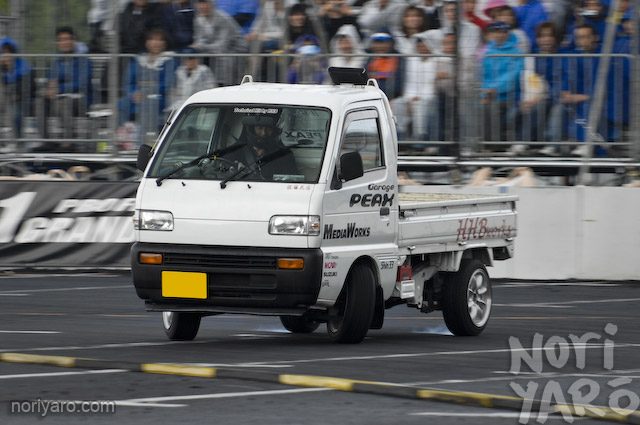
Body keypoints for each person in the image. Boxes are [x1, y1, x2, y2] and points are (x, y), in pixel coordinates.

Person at [120, 29, 177, 144]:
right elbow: (128, 83)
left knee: (150, 103)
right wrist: (133, 93)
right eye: (152, 39)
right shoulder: (138, 61)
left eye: (159, 40)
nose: (155, 43)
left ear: (164, 43)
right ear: (146, 42)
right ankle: (125, 139)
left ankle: (142, 143)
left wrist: (146, 92)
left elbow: (167, 84)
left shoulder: (169, 61)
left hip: (160, 98)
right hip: (138, 97)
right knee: (120, 104)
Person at [45, 26, 93, 144]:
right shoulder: (56, 62)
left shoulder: (83, 60)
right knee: (39, 101)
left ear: (73, 40)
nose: (64, 42)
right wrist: (49, 89)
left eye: (67, 39)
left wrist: (59, 88)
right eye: (61, 40)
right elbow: (51, 79)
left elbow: (82, 83)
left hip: (80, 99)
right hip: (59, 99)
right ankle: (46, 141)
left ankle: (68, 142)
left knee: (64, 103)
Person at [481, 21, 524, 149]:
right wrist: (485, 92)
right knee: (474, 107)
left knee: (491, 108)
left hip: (510, 96)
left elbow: (513, 77)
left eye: (503, 32)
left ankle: (495, 148)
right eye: (496, 32)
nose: (500, 35)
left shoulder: (517, 53)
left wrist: (494, 89)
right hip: (490, 95)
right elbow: (483, 76)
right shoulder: (488, 52)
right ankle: (484, 147)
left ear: (508, 33)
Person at [391, 34, 436, 141]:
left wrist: (419, 97)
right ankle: (400, 136)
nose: (421, 48)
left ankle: (419, 138)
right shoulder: (413, 61)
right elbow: (410, 83)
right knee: (398, 103)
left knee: (419, 105)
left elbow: (431, 85)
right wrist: (409, 98)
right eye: (419, 46)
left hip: (429, 96)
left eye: (424, 46)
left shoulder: (435, 60)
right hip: (412, 96)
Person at [191, 0, 247, 86]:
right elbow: (198, 40)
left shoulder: (223, 18)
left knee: (224, 62)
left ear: (212, 4)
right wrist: (200, 46)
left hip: (234, 53)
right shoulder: (198, 19)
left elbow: (221, 46)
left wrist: (201, 46)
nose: (202, 6)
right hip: (213, 54)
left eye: (205, 3)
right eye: (200, 3)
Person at [232, 112, 300, 180]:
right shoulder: (235, 152)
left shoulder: (284, 156)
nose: (264, 133)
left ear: (274, 130)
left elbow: (291, 181)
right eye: (259, 127)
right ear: (252, 129)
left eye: (268, 128)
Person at [0, 37, 35, 142]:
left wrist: (16, 94)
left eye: (9, 52)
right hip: (8, 97)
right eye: (4, 52)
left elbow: (28, 85)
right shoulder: (2, 67)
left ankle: (18, 140)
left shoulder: (23, 65)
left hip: (22, 98)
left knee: (16, 114)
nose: (7, 55)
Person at [365, 32, 405, 101]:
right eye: (377, 43)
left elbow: (398, 84)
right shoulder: (370, 58)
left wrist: (376, 74)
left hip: (393, 98)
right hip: (371, 96)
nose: (380, 46)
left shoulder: (398, 58)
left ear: (390, 44)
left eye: (383, 43)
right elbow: (365, 77)